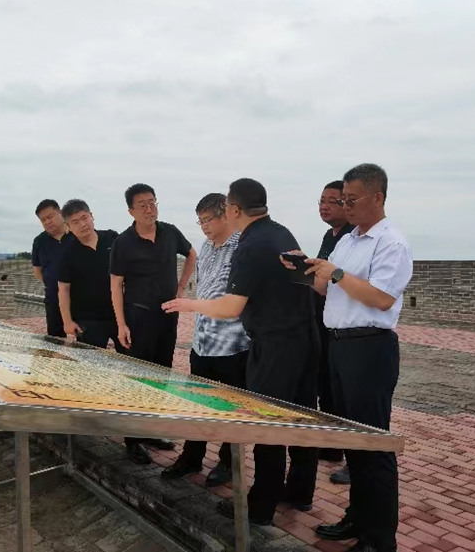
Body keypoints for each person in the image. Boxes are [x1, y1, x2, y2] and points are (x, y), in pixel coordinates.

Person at [163, 178, 319, 526]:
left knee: (267, 427)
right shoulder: (282, 233)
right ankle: (299, 491)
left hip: (274, 345)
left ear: (233, 210)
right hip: (304, 339)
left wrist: (188, 304)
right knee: (300, 418)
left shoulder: (249, 245)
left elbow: (231, 307)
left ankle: (260, 507)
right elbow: (308, 284)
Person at [288, 163, 412, 552]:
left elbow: (381, 298)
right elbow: (328, 288)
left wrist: (337, 273)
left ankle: (379, 538)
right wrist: (303, 270)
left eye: (352, 199)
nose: (346, 206)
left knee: (373, 445)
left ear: (378, 197)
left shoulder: (391, 243)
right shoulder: (348, 241)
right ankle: (357, 517)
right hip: (339, 345)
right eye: (344, 199)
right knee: (352, 441)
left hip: (369, 349)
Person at [160, 193, 250, 487]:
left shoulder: (243, 248)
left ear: (225, 214)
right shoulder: (206, 248)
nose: (204, 226)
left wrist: (189, 305)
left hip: (233, 345)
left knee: (232, 410)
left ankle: (228, 462)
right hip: (202, 343)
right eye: (200, 221)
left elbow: (234, 301)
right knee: (197, 405)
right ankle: (191, 458)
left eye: (208, 220)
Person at [110, 183, 197, 465]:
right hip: (138, 317)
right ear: (131, 211)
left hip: (167, 316)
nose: (150, 209)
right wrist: (121, 324)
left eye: (153, 202)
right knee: (137, 380)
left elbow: (192, 254)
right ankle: (132, 440)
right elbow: (116, 285)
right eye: (143, 205)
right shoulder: (123, 242)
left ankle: (151, 431)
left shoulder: (170, 232)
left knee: (161, 378)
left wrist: (181, 287)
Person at [316, 181, 355, 484]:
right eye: (321, 201)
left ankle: (356, 461)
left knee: (348, 398)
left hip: (347, 330)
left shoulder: (352, 238)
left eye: (333, 201)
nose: (324, 206)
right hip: (324, 325)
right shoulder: (329, 237)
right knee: (327, 389)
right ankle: (332, 446)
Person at [57, 199, 120, 348]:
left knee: (131, 357)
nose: (82, 224)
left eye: (84, 218)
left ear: (92, 216)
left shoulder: (112, 238)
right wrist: (67, 322)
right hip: (88, 320)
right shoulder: (67, 253)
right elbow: (63, 289)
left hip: (119, 314)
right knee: (90, 360)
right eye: (75, 222)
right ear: (68, 226)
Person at [31, 199, 75, 338]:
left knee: (85, 342)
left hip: (80, 299)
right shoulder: (39, 241)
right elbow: (37, 271)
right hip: (54, 300)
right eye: (43, 220)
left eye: (50, 216)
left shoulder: (76, 234)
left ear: (60, 213)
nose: (47, 222)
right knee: (55, 340)